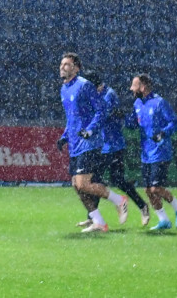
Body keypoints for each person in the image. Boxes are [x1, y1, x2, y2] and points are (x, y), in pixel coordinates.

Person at [59, 53, 112, 233]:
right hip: (75, 144)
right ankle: (98, 221)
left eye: (67, 64)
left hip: (89, 143)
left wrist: (90, 130)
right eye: (62, 64)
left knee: (83, 184)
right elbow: (71, 119)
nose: (62, 67)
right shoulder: (64, 89)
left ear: (76, 68)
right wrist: (65, 136)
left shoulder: (84, 85)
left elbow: (101, 110)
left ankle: (119, 200)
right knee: (77, 185)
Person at [131, 73, 177, 230]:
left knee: (156, 188)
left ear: (143, 87)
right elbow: (134, 123)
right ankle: (164, 220)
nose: (131, 89)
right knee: (148, 190)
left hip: (161, 152)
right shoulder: (137, 104)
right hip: (146, 154)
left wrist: (163, 133)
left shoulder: (159, 103)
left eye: (134, 85)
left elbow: (174, 122)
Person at [94, 76, 146, 227]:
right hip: (104, 144)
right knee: (98, 180)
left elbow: (102, 116)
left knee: (113, 180)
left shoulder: (109, 95)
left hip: (114, 145)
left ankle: (139, 205)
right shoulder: (100, 94)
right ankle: (94, 217)